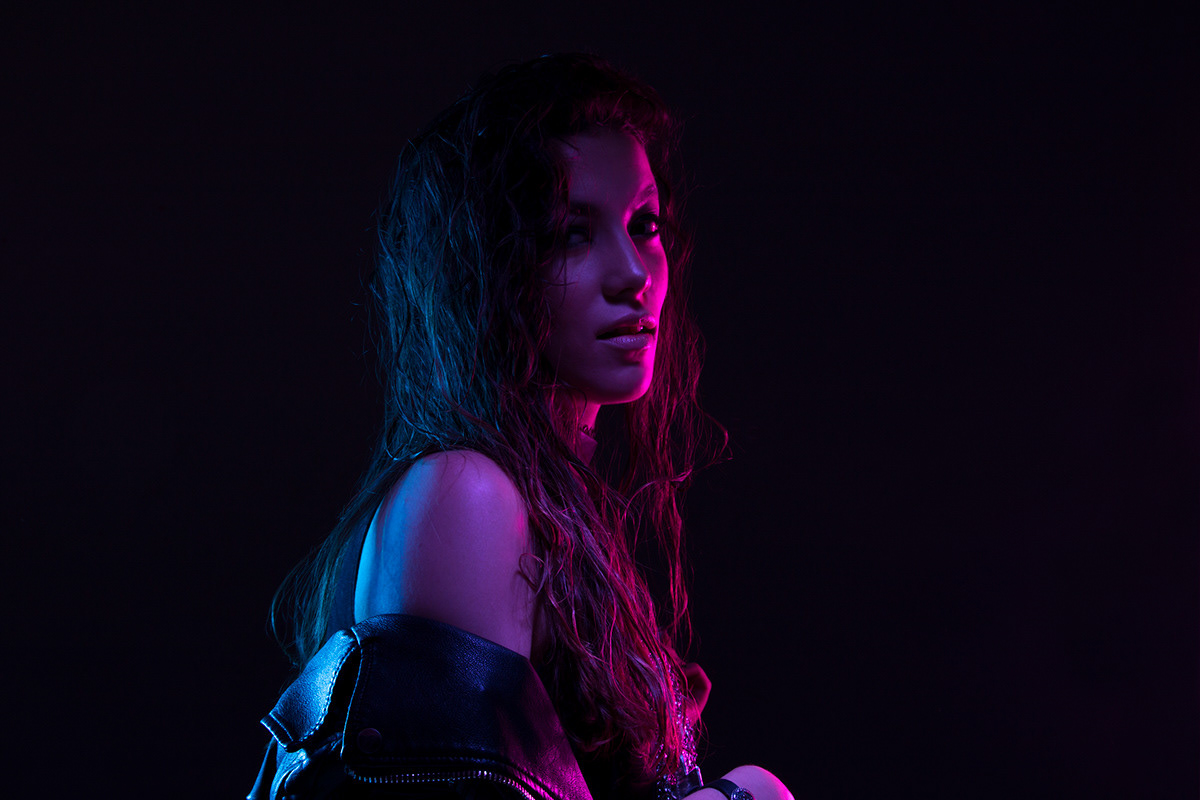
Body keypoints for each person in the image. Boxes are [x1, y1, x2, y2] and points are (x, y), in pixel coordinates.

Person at [250, 53, 792, 800]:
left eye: (644, 225)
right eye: (572, 233)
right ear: (484, 268)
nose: (634, 273)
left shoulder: (543, 503)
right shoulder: (466, 497)